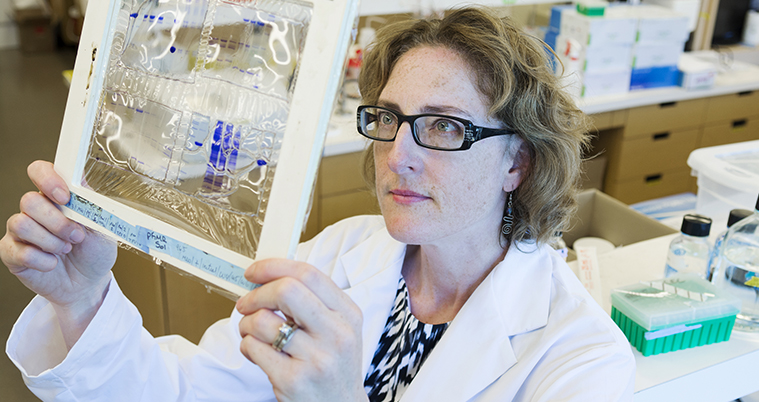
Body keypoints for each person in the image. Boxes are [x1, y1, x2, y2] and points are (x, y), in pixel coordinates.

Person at [2, 7, 635, 401]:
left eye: (445, 126)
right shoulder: (337, 256)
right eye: (389, 118)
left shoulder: (580, 359)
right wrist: (80, 296)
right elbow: (188, 392)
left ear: (518, 162)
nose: (401, 154)